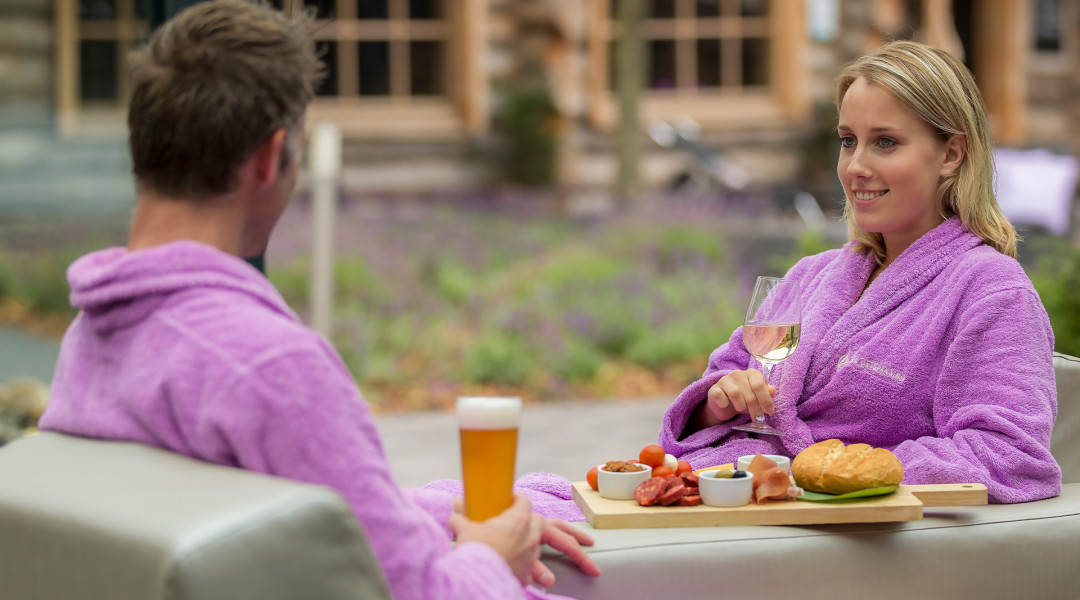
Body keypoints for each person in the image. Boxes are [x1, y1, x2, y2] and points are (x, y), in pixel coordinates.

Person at [37, 1, 599, 598]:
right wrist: (490, 556)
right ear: (270, 156)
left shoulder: (95, 337)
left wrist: (447, 514)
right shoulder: (267, 365)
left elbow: (286, 512)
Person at [659, 40, 1060, 504]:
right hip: (738, 499)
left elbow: (1009, 454)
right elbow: (721, 384)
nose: (855, 166)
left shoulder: (991, 290)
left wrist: (839, 472)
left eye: (885, 142)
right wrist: (718, 403)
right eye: (848, 140)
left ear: (951, 155)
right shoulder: (811, 276)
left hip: (849, 537)